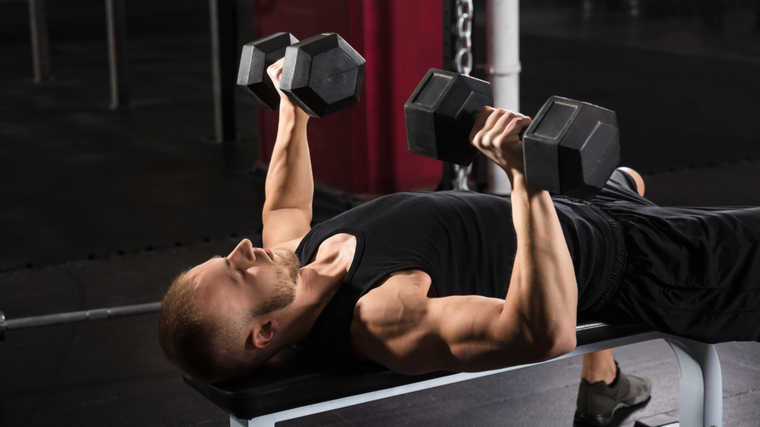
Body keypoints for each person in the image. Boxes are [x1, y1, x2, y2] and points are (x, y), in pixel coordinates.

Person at [159, 59, 760, 426]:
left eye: (226, 257)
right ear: (262, 334)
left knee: (628, 178)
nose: (241, 248)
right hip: (637, 265)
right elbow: (541, 334)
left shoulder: (300, 259)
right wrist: (524, 182)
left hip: (585, 210)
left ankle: (601, 386)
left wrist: (294, 110)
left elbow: (284, 206)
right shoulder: (381, 317)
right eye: (237, 273)